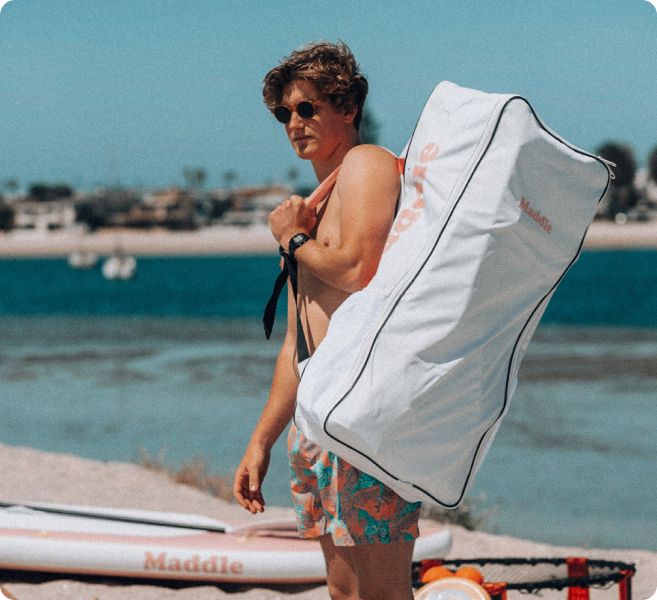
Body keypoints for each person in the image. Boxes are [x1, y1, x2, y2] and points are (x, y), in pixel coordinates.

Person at [233, 41, 421, 600]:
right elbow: (299, 338)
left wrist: (292, 238)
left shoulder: (367, 165)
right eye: (285, 112)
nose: (294, 123)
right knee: (343, 591)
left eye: (308, 108)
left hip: (364, 412)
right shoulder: (313, 204)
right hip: (318, 412)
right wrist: (262, 439)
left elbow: (359, 269)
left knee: (383, 593)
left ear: (348, 106)